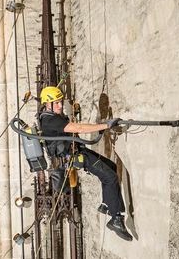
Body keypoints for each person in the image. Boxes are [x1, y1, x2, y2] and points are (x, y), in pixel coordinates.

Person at [38, 86, 133, 241]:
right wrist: (106, 125)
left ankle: (107, 205)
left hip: (77, 150)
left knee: (111, 167)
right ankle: (116, 219)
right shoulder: (50, 120)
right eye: (56, 103)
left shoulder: (52, 115)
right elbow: (79, 128)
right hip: (74, 155)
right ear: (47, 104)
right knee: (110, 177)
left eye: (60, 102)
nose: (60, 105)